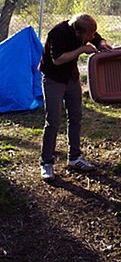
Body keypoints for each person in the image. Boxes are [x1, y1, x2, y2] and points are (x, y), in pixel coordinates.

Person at [39, 13, 112, 182]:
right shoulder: (57, 33)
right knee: (53, 121)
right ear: (78, 32)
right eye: (89, 35)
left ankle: (74, 158)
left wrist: (101, 43)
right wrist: (82, 49)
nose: (92, 37)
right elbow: (57, 60)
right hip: (53, 79)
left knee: (76, 116)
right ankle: (46, 163)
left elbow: (95, 37)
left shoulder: (85, 30)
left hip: (71, 78)